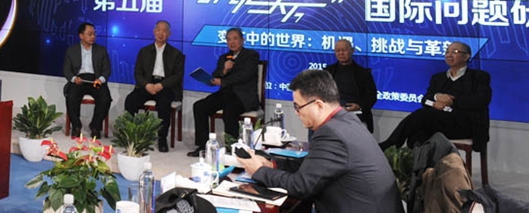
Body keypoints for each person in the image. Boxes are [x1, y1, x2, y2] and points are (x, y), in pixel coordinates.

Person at [240, 70, 401, 213]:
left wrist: (259, 171)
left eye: (298, 107)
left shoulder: (332, 133)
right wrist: (272, 165)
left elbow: (300, 186)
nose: (296, 113)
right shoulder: (346, 120)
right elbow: (314, 164)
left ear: (318, 105)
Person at [379, 41, 491, 150]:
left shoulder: (478, 77)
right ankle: (416, 162)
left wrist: (452, 101)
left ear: (466, 57)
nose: (449, 55)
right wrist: (437, 97)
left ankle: (390, 144)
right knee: (417, 136)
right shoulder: (438, 78)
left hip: (466, 125)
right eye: (447, 52)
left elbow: (481, 100)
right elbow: (425, 100)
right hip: (440, 122)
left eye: (454, 52)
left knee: (421, 115)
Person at [189, 27, 259, 156]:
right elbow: (216, 74)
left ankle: (232, 148)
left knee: (229, 110)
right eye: (229, 39)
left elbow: (244, 76)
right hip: (225, 94)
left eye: (235, 39)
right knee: (199, 106)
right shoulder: (224, 57)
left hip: (243, 97)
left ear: (242, 40)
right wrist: (224, 70)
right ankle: (203, 146)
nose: (232, 42)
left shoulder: (251, 55)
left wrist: (222, 81)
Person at [124, 20, 185, 153]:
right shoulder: (144, 51)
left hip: (165, 86)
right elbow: (137, 73)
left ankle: (162, 138)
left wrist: (161, 85)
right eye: (158, 30)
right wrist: (146, 85)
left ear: (169, 34)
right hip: (147, 84)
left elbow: (178, 76)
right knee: (131, 100)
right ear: (154, 32)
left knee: (164, 104)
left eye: (164, 31)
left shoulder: (176, 54)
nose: (161, 33)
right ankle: (131, 134)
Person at [62, 22, 111, 140]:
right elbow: (66, 69)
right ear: (81, 36)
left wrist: (100, 79)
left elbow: (107, 70)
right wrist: (74, 79)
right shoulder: (71, 50)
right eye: (89, 34)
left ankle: (95, 126)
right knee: (71, 97)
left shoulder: (101, 50)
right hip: (79, 79)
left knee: (105, 99)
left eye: (94, 34)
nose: (93, 36)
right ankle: (76, 126)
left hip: (96, 80)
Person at [325, 38, 377, 132]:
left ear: (352, 50)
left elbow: (372, 96)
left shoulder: (363, 73)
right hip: (333, 114)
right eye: (338, 50)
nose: (341, 53)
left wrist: (359, 106)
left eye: (344, 50)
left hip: (356, 114)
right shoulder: (328, 72)